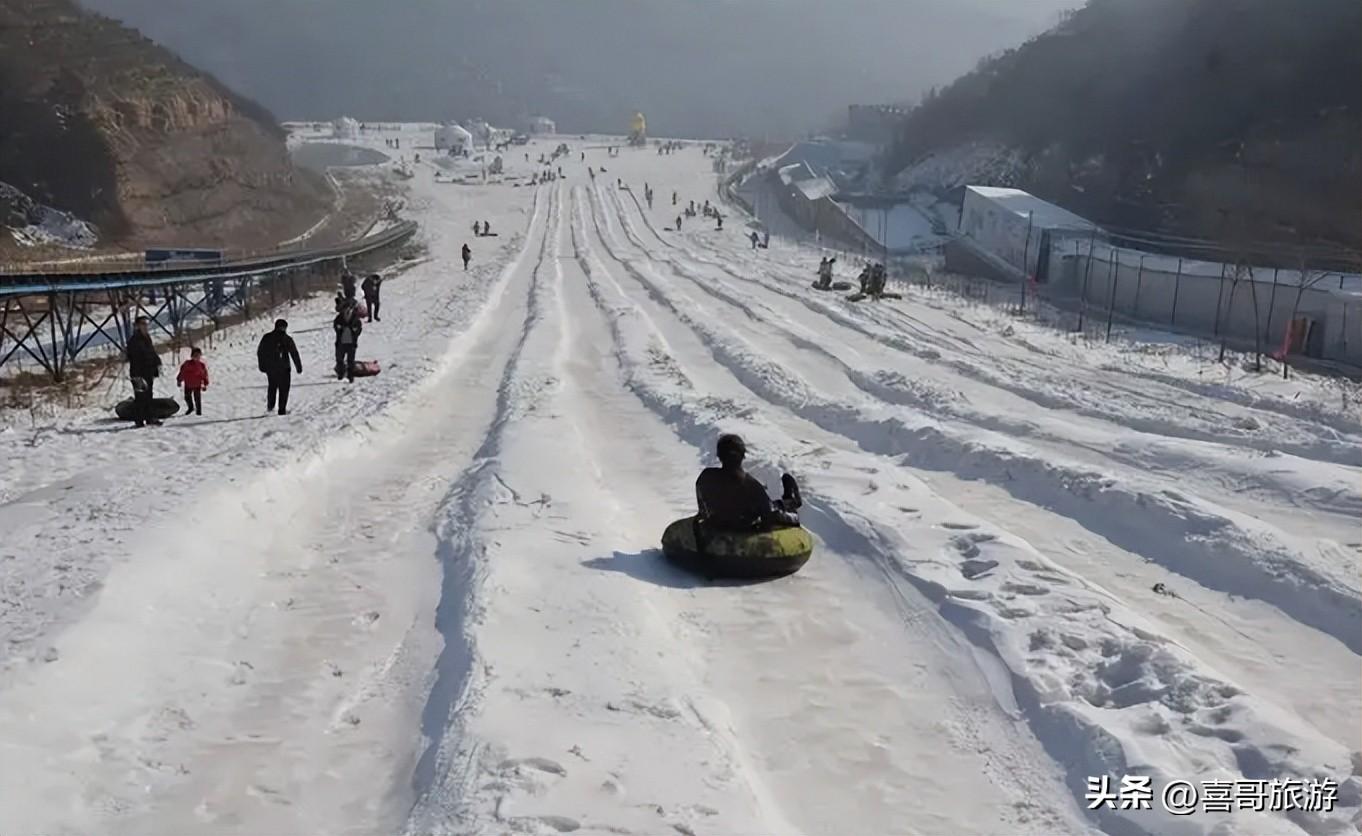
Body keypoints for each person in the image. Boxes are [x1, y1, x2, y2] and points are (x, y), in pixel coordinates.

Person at [695, 434, 801, 532]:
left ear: (719, 456)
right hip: (744, 527)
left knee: (770, 505)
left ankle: (789, 502)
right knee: (777, 510)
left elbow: (703, 510)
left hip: (718, 526)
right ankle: (791, 502)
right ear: (743, 456)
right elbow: (768, 519)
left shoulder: (707, 477)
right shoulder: (751, 485)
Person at [257, 319, 303, 415]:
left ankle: (271, 407)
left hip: (272, 368)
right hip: (284, 368)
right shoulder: (287, 339)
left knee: (273, 387)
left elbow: (260, 352)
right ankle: (281, 409)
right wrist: (298, 366)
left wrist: (262, 366)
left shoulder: (267, 337)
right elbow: (294, 353)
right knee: (284, 389)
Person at [125, 316, 162, 427]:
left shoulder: (147, 338)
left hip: (148, 372)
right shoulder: (134, 340)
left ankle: (149, 418)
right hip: (138, 373)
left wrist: (157, 362)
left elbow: (151, 352)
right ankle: (139, 420)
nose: (145, 326)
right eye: (142, 324)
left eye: (146, 324)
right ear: (137, 326)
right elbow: (139, 356)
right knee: (141, 396)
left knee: (148, 396)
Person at [333, 299, 363, 382]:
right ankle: (341, 374)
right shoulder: (339, 317)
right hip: (341, 341)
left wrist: (355, 331)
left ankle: (350, 375)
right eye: (346, 309)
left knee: (351, 360)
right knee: (339, 359)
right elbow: (335, 326)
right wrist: (339, 328)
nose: (347, 310)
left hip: (351, 342)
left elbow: (359, 329)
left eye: (349, 309)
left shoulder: (355, 318)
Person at [176, 347, 209, 416]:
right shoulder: (187, 364)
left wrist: (205, 384)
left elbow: (204, 375)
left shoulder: (201, 365)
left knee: (197, 399)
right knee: (187, 397)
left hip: (197, 384)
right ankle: (190, 408)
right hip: (188, 384)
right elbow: (182, 372)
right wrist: (179, 380)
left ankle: (199, 412)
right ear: (192, 356)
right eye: (195, 355)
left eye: (198, 355)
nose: (197, 357)